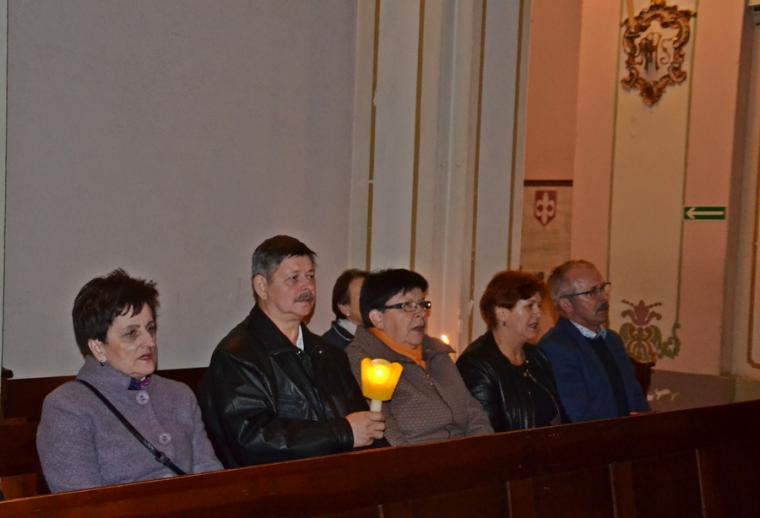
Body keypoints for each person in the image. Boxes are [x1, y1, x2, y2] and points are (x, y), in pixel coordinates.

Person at [199, 235, 385, 467]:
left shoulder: (329, 353)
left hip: (339, 476)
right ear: (262, 286)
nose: (307, 287)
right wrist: (342, 432)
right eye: (294, 278)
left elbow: (362, 425)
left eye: (310, 276)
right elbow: (253, 439)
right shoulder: (237, 356)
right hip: (275, 484)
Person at [36, 269, 222, 493]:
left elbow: (212, 483)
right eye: (131, 334)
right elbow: (82, 505)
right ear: (97, 347)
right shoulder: (67, 407)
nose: (149, 342)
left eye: (150, 329)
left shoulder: (179, 395)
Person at [345, 268, 493, 445]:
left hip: (466, 455)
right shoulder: (365, 360)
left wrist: (482, 450)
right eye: (407, 306)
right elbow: (386, 432)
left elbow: (471, 410)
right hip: (416, 457)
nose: (421, 313)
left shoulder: (436, 351)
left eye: (422, 304)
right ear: (377, 318)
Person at [538, 260, 649, 422]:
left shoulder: (613, 340)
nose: (604, 297)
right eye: (591, 292)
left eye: (603, 288)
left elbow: (635, 396)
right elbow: (578, 416)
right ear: (566, 304)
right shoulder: (556, 348)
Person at [457, 271, 564, 432]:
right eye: (529, 306)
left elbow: (560, 416)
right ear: (501, 313)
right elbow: (486, 433)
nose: (538, 314)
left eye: (539, 306)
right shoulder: (475, 365)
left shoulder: (537, 356)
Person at [322, 269, 368, 349]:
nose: (372, 300)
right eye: (363, 296)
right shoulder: (329, 346)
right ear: (344, 307)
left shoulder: (378, 335)